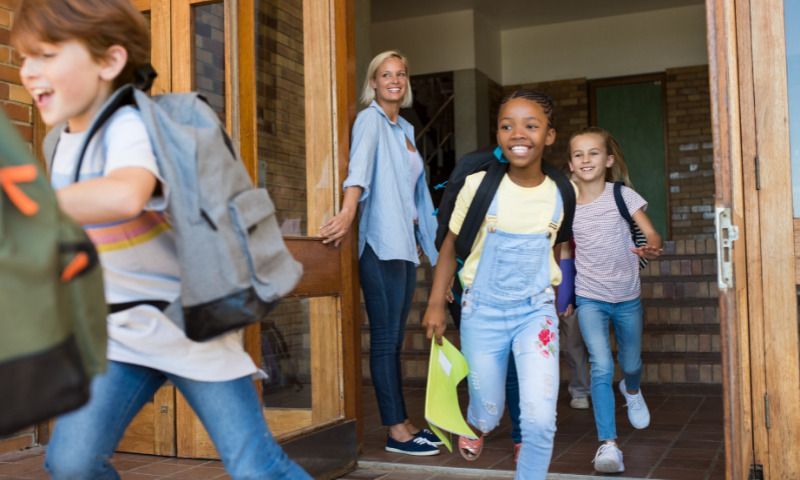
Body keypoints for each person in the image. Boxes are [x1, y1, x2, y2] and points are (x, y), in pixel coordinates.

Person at [12, 1, 311, 479]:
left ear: (109, 62)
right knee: (71, 463)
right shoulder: (59, 143)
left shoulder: (130, 125)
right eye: (23, 57)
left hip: (189, 326)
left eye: (46, 55)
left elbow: (126, 194)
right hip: (118, 335)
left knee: (257, 466)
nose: (28, 71)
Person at [423, 89, 570, 479]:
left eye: (531, 125)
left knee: (540, 418)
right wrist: (437, 302)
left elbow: (558, 247)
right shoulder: (479, 186)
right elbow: (451, 246)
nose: (518, 133)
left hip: (535, 313)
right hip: (481, 312)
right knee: (488, 410)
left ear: (549, 136)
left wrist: (561, 294)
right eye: (508, 126)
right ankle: (477, 420)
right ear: (498, 134)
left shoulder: (560, 193)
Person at [319, 50, 441, 456]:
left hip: (404, 248)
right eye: (386, 74)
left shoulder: (403, 127)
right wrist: (349, 211)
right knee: (386, 339)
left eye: (401, 74)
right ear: (373, 82)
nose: (394, 80)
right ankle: (396, 431)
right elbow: (359, 168)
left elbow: (418, 197)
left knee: (395, 339)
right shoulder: (370, 120)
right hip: (380, 245)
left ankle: (403, 422)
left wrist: (434, 251)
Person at [567, 126, 663, 474]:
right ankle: (608, 445)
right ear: (571, 163)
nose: (586, 159)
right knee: (601, 366)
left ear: (608, 160)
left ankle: (632, 389)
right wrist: (564, 294)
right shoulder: (566, 203)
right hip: (590, 297)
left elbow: (650, 231)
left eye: (593, 153)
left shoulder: (622, 195)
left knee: (631, 363)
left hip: (627, 297)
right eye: (579, 154)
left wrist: (652, 243)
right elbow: (563, 250)